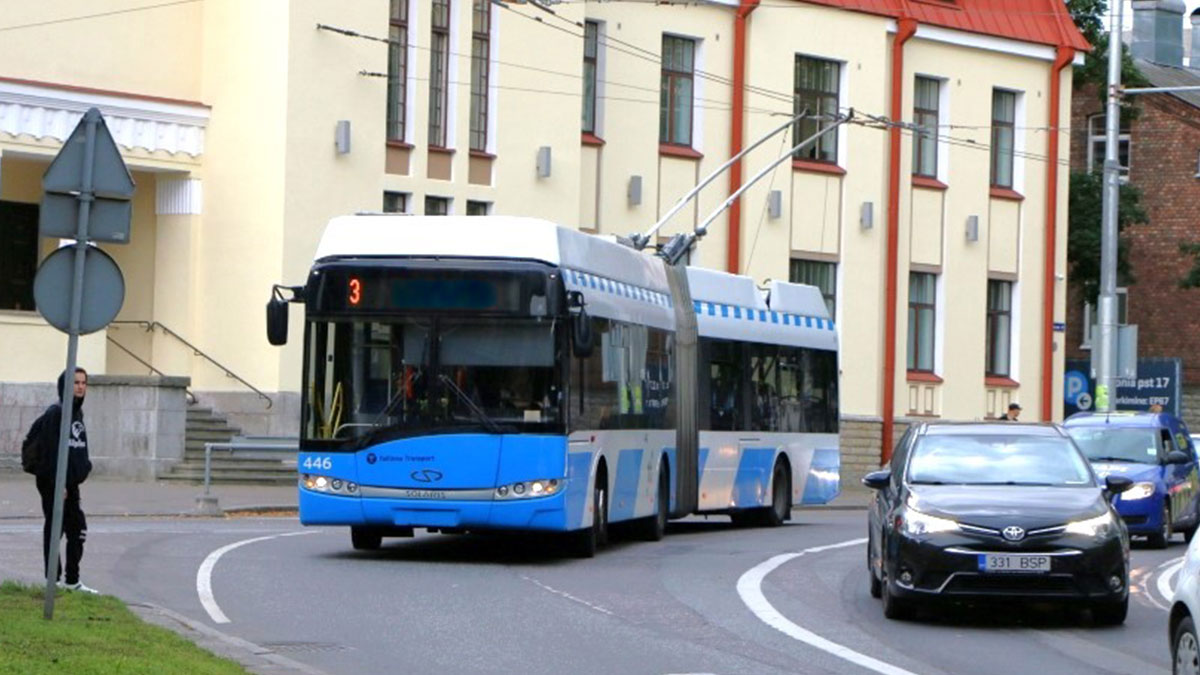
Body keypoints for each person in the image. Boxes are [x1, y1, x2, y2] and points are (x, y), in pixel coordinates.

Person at [27, 368, 96, 594]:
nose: (80, 386)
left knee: (77, 529)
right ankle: (53, 581)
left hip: (70, 483)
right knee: (56, 528)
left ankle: (72, 580)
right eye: (75, 382)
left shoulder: (76, 413)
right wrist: (60, 483)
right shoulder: (56, 414)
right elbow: (50, 452)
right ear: (65, 386)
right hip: (54, 482)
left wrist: (83, 468)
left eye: (83, 383)